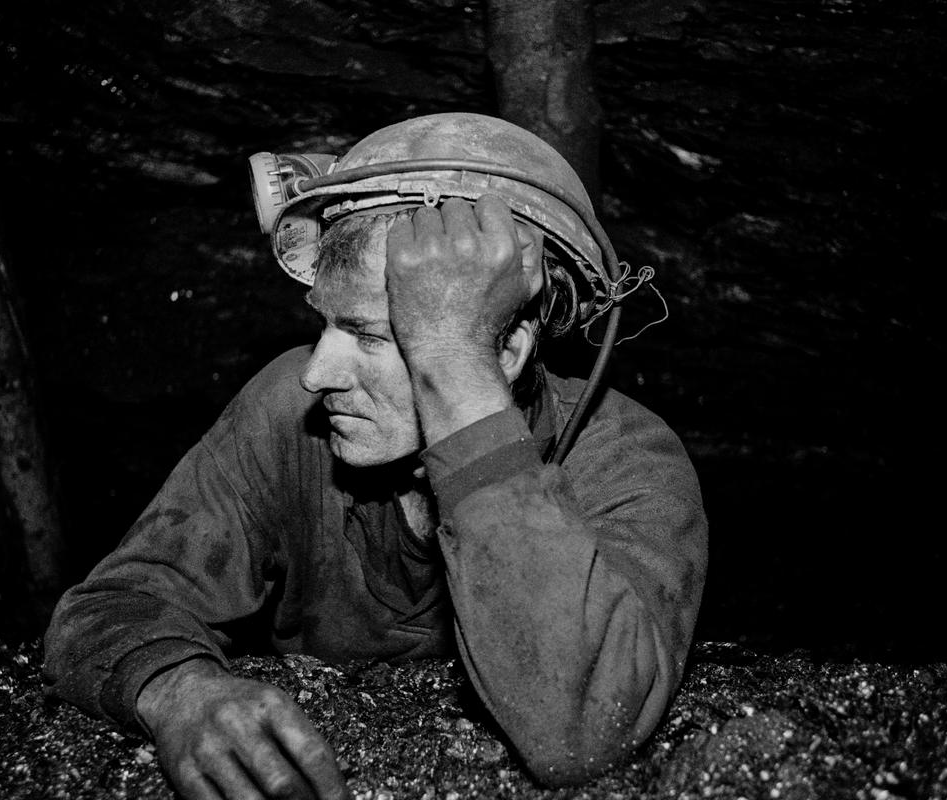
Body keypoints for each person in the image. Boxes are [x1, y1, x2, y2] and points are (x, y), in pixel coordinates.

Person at [43, 112, 708, 799]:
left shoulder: (626, 462)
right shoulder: (286, 414)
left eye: (365, 334)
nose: (316, 372)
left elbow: (583, 734)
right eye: (326, 322)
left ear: (504, 353)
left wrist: (456, 370)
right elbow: (114, 603)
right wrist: (180, 692)